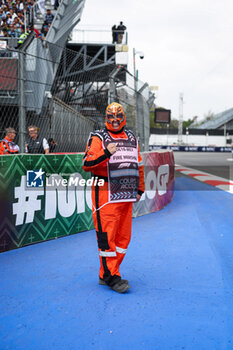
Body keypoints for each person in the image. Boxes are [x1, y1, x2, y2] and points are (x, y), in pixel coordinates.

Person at [82, 102, 145, 293]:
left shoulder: (132, 137)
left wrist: (140, 189)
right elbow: (87, 163)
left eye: (118, 116)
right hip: (105, 194)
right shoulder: (98, 137)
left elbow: (138, 164)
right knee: (107, 236)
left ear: (124, 116)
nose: (115, 120)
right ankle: (111, 276)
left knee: (123, 237)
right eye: (111, 117)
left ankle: (107, 273)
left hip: (125, 193)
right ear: (106, 118)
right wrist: (106, 152)